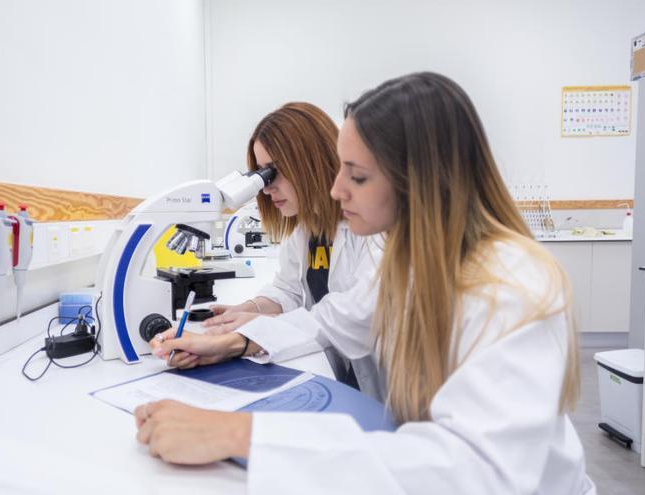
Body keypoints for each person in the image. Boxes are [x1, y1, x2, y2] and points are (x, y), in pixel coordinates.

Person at [137, 72, 593, 494]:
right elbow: (333, 320)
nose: (336, 190)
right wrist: (234, 341)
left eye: (356, 175)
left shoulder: (509, 285)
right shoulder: (411, 261)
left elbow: (478, 471)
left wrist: (239, 434)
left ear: (421, 181)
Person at [172, 101, 382, 393]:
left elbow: (356, 314)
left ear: (310, 162)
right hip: (347, 377)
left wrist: (240, 341)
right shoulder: (306, 228)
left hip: (392, 390)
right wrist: (244, 312)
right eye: (260, 173)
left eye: (273, 172)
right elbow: (288, 289)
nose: (266, 187)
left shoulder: (373, 224)